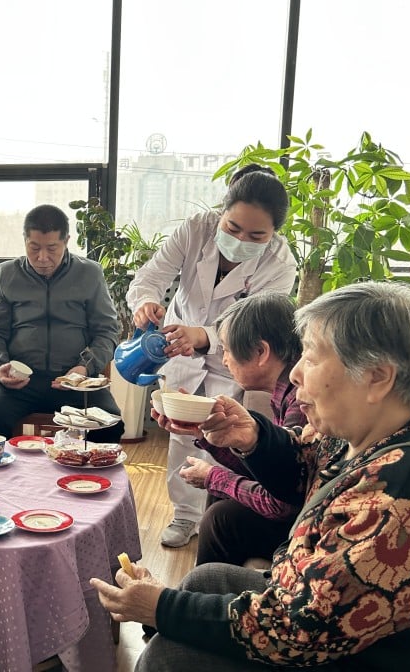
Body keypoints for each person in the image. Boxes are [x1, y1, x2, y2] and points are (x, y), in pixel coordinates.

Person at [92, 282, 410, 671]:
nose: (297, 373)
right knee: (207, 579)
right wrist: (250, 437)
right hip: (331, 611)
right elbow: (307, 465)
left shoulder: (405, 500)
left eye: (312, 357)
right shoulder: (389, 427)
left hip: (382, 656)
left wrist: (159, 607)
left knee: (170, 659)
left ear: (377, 377)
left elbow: (298, 630)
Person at [126, 164, 298, 547]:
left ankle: (217, 513)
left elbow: (256, 328)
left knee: (220, 431)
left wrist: (203, 336)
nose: (241, 239)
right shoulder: (196, 229)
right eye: (233, 228)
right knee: (180, 434)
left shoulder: (280, 263)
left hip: (229, 357)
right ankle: (185, 516)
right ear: (223, 211)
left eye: (256, 235)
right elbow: (150, 276)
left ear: (273, 233)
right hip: (177, 349)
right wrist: (146, 303)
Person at [0, 203, 124, 444]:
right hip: (21, 383)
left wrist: (84, 368)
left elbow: (107, 331)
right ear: (25, 241)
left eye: (52, 248)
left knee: (110, 421)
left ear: (66, 241)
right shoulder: (8, 273)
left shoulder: (90, 273)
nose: (42, 258)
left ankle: (93, 481)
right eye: (34, 248)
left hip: (75, 382)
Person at [181, 292, 303, 567]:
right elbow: (272, 469)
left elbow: (281, 502)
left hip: (304, 522)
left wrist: (213, 476)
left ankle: (197, 602)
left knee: (222, 518)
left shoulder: (303, 400)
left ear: (261, 352)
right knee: (219, 491)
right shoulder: (284, 392)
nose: (224, 360)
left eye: (226, 349)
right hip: (296, 504)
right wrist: (203, 434)